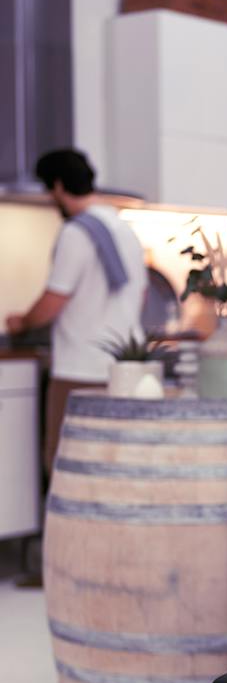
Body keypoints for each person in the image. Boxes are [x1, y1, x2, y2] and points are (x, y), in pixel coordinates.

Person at [5, 149, 146, 481]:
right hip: (125, 370)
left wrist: (21, 322)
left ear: (57, 186)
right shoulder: (125, 229)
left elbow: (54, 300)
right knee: (115, 464)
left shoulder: (75, 233)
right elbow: (139, 294)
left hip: (80, 369)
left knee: (68, 463)